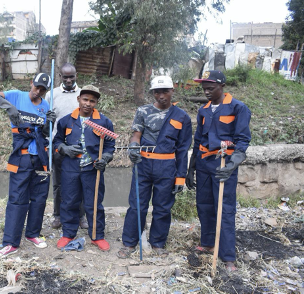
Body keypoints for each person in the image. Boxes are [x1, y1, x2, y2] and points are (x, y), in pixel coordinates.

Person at [0, 73, 56, 259]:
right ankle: (10, 242)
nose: (38, 91)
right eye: (36, 86)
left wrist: (49, 123)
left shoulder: (45, 105)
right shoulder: (16, 95)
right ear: (31, 83)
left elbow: (45, 133)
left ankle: (32, 233)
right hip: (22, 157)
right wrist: (7, 106)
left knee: (39, 198)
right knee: (17, 199)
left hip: (41, 156)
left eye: (42, 90)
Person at [118, 76, 192, 258]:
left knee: (163, 207)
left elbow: (183, 150)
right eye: (157, 92)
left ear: (172, 90)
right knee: (137, 205)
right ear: (152, 93)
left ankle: (158, 243)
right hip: (143, 164)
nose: (161, 95)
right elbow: (136, 135)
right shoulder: (143, 111)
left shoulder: (181, 117)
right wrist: (133, 146)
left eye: (165, 91)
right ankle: (129, 243)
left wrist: (180, 177)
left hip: (167, 166)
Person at [186, 70, 251, 271]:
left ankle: (228, 256)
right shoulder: (204, 110)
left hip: (224, 164)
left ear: (221, 86)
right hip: (205, 163)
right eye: (204, 88)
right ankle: (207, 242)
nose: (206, 91)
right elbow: (198, 140)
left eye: (210, 88)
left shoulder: (238, 108)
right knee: (204, 205)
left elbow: (242, 140)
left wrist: (233, 165)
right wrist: (191, 167)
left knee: (225, 208)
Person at [53, 85, 115, 251]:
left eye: (92, 100)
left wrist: (106, 158)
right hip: (70, 168)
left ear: (96, 103)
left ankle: (97, 235)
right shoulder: (66, 120)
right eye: (85, 99)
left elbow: (110, 146)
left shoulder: (104, 121)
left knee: (94, 203)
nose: (88, 103)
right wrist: (64, 149)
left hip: (92, 168)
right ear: (78, 99)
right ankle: (68, 233)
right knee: (69, 201)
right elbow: (57, 141)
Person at [44, 63, 88, 230]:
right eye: (65, 77)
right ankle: (58, 215)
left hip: (80, 145)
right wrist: (48, 119)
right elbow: (45, 121)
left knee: (81, 181)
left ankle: (81, 216)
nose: (69, 80)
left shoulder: (83, 94)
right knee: (59, 184)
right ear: (60, 76)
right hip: (58, 145)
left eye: (72, 76)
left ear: (76, 75)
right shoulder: (51, 95)